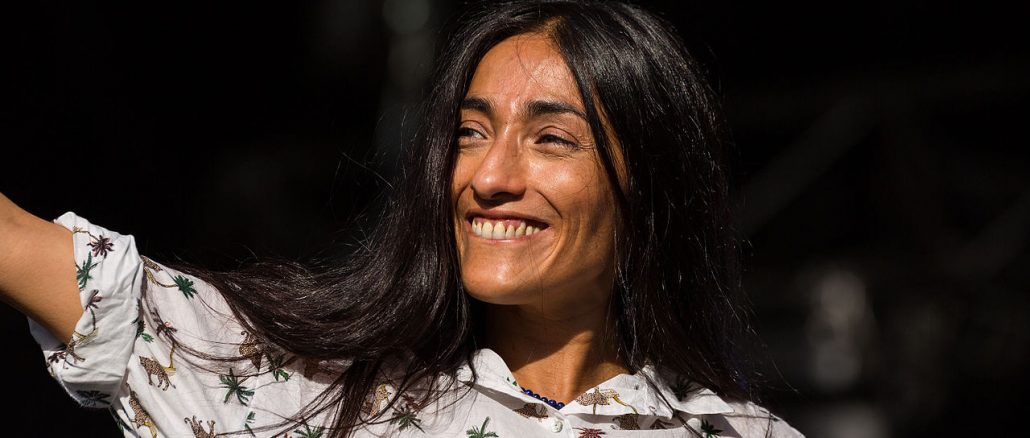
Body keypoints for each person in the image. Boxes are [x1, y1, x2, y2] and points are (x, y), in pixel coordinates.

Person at [0, 1, 803, 436]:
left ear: (649, 187)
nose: (489, 176)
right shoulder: (311, 393)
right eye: (471, 133)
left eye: (551, 139)